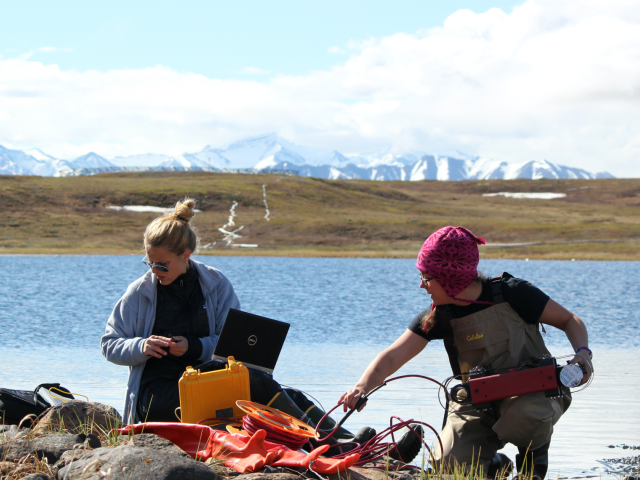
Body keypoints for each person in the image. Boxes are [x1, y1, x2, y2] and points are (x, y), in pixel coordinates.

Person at [100, 198, 382, 455]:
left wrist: (194, 346)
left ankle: (351, 445)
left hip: (204, 379)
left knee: (287, 395)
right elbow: (109, 343)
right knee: (258, 383)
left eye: (161, 265)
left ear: (185, 256)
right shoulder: (140, 292)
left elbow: (231, 345)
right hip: (158, 395)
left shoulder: (215, 283)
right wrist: (142, 345)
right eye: (149, 263)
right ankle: (339, 450)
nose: (154, 271)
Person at [340, 226, 592, 479]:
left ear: (450, 277)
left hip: (535, 393)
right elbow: (393, 356)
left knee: (524, 415)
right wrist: (361, 387)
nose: (421, 285)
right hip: (476, 403)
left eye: (427, 278)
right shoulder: (439, 315)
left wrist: (582, 354)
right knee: (449, 466)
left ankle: (533, 460)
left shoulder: (513, 292)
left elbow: (569, 319)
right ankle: (493, 463)